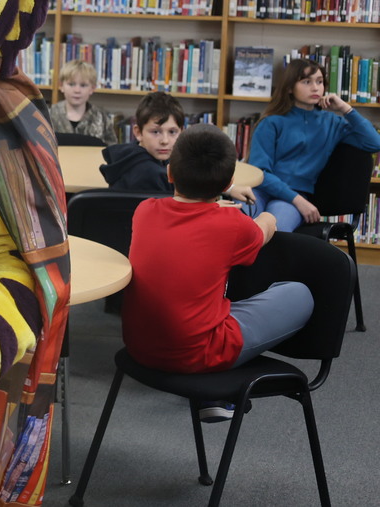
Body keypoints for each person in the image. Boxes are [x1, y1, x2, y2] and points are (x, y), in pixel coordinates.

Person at [125, 124, 314, 421]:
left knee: (212, 293)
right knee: (298, 294)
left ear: (170, 173)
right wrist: (267, 216)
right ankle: (221, 390)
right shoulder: (231, 225)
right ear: (228, 182)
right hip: (199, 356)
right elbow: (264, 230)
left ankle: (216, 394)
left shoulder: (145, 210)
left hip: (138, 347)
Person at [245, 58, 380, 232]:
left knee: (275, 232)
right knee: (239, 225)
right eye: (307, 82)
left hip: (292, 198)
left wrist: (346, 109)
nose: (315, 88)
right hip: (261, 192)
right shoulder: (271, 123)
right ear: (289, 87)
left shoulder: (333, 123)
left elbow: (374, 143)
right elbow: (260, 172)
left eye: (320, 82)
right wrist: (299, 201)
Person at [99, 91, 184, 192]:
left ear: (181, 132)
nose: (165, 141)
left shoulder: (129, 156)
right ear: (138, 133)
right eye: (156, 132)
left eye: (172, 132)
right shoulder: (152, 175)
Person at [49, 59, 117, 144]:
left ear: (92, 88)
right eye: (71, 84)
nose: (77, 90)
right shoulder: (50, 115)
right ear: (61, 86)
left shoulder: (102, 117)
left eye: (83, 85)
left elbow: (112, 148)